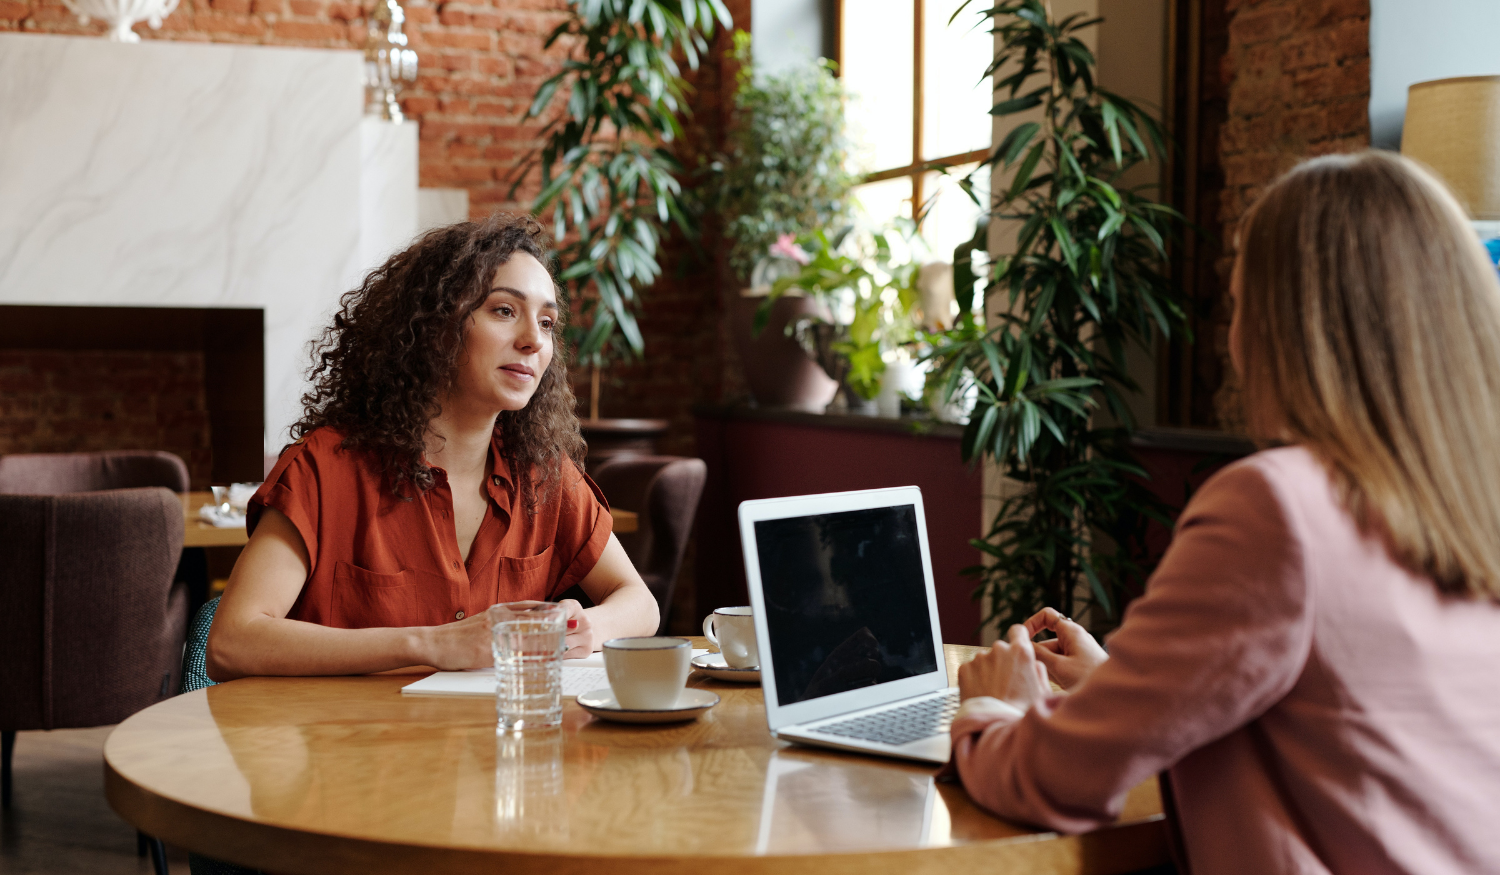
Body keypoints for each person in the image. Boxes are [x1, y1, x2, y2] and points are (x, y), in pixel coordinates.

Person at [951, 151, 1500, 875]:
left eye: (1239, 305)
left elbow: (1060, 777)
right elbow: (1344, 718)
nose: (1233, 338)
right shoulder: (1467, 499)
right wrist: (1118, 683)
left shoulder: (1279, 505)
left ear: (1287, 329)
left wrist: (996, 712)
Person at [207, 214, 659, 680]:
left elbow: (640, 604)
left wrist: (590, 625)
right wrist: (430, 643)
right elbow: (231, 642)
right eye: (504, 311)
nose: (533, 341)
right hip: (347, 745)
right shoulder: (326, 467)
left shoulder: (542, 474)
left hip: (497, 744)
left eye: (547, 323)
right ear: (435, 325)